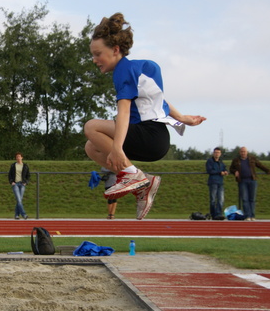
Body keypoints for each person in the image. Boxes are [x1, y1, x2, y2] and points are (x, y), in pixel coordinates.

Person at [85, 12, 206, 220]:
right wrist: (183, 118)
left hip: (149, 135)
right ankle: (143, 185)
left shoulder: (124, 71)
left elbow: (123, 112)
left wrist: (116, 148)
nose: (94, 60)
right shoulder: (139, 69)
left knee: (91, 127)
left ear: (115, 50)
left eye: (98, 54)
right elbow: (159, 100)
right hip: (155, 140)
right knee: (91, 147)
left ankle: (134, 175)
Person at [229, 146, 270, 221]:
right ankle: (247, 216)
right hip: (242, 181)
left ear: (247, 152)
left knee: (252, 199)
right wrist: (235, 171)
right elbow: (231, 169)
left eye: (244, 151)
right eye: (242, 152)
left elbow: (260, 165)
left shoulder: (252, 158)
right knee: (244, 199)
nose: (243, 153)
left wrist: (269, 171)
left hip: (252, 180)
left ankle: (252, 215)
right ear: (239, 152)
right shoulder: (236, 160)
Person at [206, 147, 228, 219]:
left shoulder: (221, 162)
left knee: (221, 199)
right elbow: (209, 171)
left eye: (218, 153)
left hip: (220, 182)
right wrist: (219, 172)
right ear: (213, 153)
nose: (217, 154)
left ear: (220, 154)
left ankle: (219, 214)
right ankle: (213, 214)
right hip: (213, 182)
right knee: (213, 199)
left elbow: (225, 168)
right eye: (216, 152)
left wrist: (225, 171)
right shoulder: (210, 161)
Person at [8, 152, 30, 220]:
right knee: (19, 200)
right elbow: (10, 175)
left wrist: (26, 182)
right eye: (17, 157)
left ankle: (16, 215)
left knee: (19, 200)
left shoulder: (25, 166)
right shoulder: (13, 165)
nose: (18, 158)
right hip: (15, 184)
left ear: (21, 157)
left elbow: (28, 175)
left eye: (19, 157)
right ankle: (24, 214)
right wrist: (12, 182)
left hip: (22, 184)